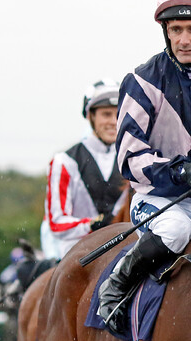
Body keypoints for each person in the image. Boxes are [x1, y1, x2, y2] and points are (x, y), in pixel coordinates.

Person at [97, 0, 191, 332]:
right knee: (177, 230)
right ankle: (115, 288)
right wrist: (186, 171)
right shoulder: (142, 80)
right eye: (175, 29)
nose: (183, 39)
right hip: (161, 200)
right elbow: (129, 158)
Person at [41, 80, 130, 260]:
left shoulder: (133, 158)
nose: (113, 122)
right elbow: (56, 223)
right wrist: (93, 225)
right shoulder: (64, 162)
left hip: (123, 248)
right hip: (77, 252)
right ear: (90, 116)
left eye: (118, 114)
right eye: (106, 114)